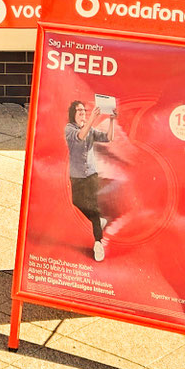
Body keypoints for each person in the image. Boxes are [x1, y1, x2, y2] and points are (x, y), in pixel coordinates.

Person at [65, 98, 114, 260]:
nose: (82, 113)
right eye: (79, 111)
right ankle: (98, 221)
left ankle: (98, 243)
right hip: (77, 175)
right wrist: (92, 118)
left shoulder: (90, 129)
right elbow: (80, 137)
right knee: (77, 201)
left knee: (93, 207)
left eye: (83, 111)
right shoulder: (69, 129)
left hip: (92, 175)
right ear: (73, 114)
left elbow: (108, 138)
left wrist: (112, 120)